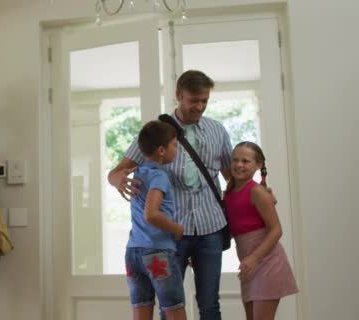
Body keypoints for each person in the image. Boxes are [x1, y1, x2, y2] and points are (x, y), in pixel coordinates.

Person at [109, 70, 232, 320]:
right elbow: (117, 171)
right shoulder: (157, 133)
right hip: (172, 234)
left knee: (210, 304)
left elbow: (232, 178)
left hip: (211, 228)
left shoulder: (218, 131)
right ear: (178, 95)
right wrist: (117, 180)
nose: (199, 106)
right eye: (193, 100)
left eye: (204, 101)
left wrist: (258, 192)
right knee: (171, 304)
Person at [223, 142, 298, 320]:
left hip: (267, 262)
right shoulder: (228, 193)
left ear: (258, 165)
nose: (239, 165)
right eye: (235, 160)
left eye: (245, 161)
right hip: (249, 264)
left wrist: (254, 258)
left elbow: (276, 230)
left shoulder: (257, 192)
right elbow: (233, 230)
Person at [125, 120, 186, 320]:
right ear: (161, 150)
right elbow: (151, 213)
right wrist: (176, 229)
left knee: (141, 312)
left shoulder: (138, 173)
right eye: (175, 145)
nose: (176, 149)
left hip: (133, 252)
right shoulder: (159, 176)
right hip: (157, 252)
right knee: (174, 311)